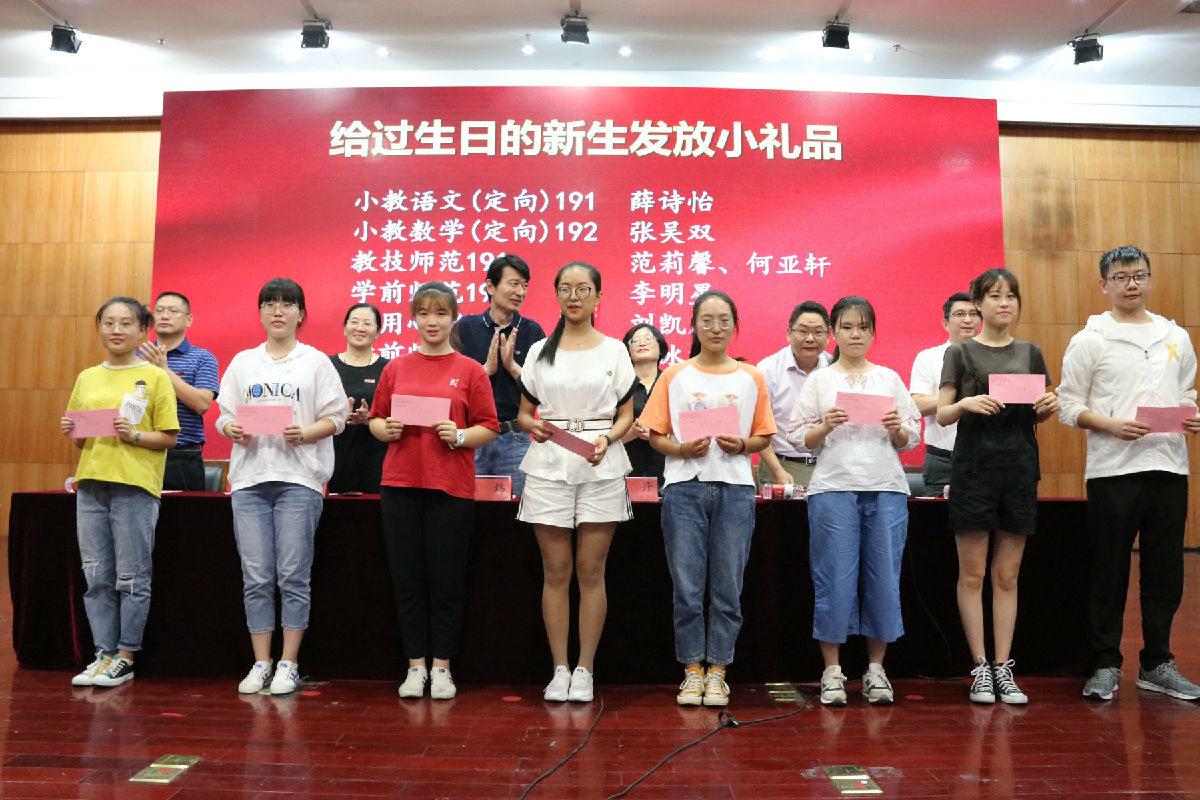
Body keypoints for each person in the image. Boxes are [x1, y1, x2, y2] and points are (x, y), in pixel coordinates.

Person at [1058, 246, 1200, 702]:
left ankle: (1157, 662)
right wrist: (1109, 425)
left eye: (1139, 275)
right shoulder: (1090, 339)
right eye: (1120, 277)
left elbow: (1187, 390)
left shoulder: (1175, 336)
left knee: (1165, 570)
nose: (1131, 284)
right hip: (1113, 470)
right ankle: (1104, 663)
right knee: (1109, 569)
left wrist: (1191, 412)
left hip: (1169, 465)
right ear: (1105, 285)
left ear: (1150, 279)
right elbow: (1067, 405)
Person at [641, 290, 775, 707]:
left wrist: (744, 445)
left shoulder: (751, 377)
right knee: (687, 586)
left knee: (728, 586)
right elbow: (656, 434)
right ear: (694, 326)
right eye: (707, 320)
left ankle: (718, 670)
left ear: (735, 326)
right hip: (685, 487)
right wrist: (682, 449)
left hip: (735, 488)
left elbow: (763, 434)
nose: (716, 328)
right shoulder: (674, 376)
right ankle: (691, 670)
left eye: (723, 320)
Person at [216, 278, 349, 696]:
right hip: (250, 480)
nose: (277, 311)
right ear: (260, 313)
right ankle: (261, 662)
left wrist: (305, 433)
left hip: (298, 479)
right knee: (256, 576)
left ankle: (289, 663)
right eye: (269, 304)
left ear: (300, 314)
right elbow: (223, 414)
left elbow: (337, 418)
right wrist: (230, 427)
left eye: (286, 304)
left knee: (293, 575)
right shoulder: (243, 362)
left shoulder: (316, 362)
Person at [369, 283, 499, 700]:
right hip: (401, 484)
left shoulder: (470, 369)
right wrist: (386, 429)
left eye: (441, 313)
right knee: (407, 579)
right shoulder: (396, 368)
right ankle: (415, 666)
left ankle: (442, 667)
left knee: (446, 581)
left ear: (453, 318)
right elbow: (376, 419)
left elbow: (489, 427)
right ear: (413, 318)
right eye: (424, 313)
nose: (432, 321)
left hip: (450, 488)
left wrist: (459, 435)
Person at [789, 295, 920, 707]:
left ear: (873, 333)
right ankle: (832, 671)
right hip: (833, 488)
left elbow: (911, 437)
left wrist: (897, 429)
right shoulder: (820, 380)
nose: (855, 334)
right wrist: (824, 426)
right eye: (846, 327)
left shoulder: (889, 378)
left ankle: (876, 670)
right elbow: (798, 437)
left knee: (883, 579)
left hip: (885, 488)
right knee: (834, 579)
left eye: (863, 327)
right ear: (834, 333)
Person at [936, 269, 1058, 705]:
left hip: (1020, 470)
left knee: (1007, 576)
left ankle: (1004, 667)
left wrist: (1049, 406)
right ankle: (980, 668)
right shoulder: (961, 352)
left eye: (1010, 296)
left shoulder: (1031, 352)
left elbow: (1039, 411)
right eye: (994, 296)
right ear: (978, 304)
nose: (1004, 303)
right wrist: (966, 403)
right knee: (972, 574)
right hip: (973, 472)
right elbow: (942, 413)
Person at [516, 262, 635, 703]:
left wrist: (608, 438)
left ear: (598, 296)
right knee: (556, 571)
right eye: (565, 289)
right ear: (556, 295)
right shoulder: (539, 350)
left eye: (583, 289)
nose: (574, 296)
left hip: (601, 462)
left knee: (590, 569)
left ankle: (585, 668)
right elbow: (524, 413)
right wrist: (533, 425)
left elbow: (627, 414)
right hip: (550, 461)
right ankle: (559, 669)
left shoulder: (615, 350)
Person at [62, 297, 179, 687]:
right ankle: (103, 653)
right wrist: (73, 431)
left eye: (126, 323)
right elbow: (83, 441)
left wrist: (135, 435)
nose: (116, 330)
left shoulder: (156, 376)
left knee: (131, 576)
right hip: (91, 484)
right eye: (108, 323)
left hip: (135, 486)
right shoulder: (87, 377)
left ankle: (126, 656)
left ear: (142, 330)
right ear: (99, 328)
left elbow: (169, 437)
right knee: (96, 575)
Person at [451, 254, 546, 498]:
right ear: (490, 286)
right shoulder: (465, 328)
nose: (520, 292)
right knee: (466, 505)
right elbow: (449, 385)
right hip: (471, 435)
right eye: (513, 284)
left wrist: (513, 367)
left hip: (514, 436)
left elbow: (542, 389)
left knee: (515, 509)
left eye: (524, 285)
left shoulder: (532, 331)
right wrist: (484, 371)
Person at [136, 291, 219, 491]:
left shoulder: (203, 358)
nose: (165, 316)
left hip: (182, 457)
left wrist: (164, 370)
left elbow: (202, 404)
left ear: (188, 320)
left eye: (173, 311)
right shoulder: (136, 357)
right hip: (139, 452)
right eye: (159, 311)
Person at [754, 301, 832, 490]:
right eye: (803, 331)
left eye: (818, 332)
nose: (810, 338)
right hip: (783, 466)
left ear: (828, 335)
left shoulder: (835, 367)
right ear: (789, 333)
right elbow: (758, 427)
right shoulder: (767, 370)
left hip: (829, 467)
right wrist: (778, 471)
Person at [908, 292, 978, 496]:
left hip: (987, 457)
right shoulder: (928, 357)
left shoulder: (996, 357)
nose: (967, 319)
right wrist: (962, 400)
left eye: (973, 314)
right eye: (960, 314)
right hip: (943, 459)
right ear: (945, 323)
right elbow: (917, 405)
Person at [328, 303, 389, 494]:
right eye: (354, 322)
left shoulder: (389, 369)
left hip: (375, 457)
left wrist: (370, 419)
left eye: (367, 323)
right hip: (333, 455)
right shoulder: (326, 366)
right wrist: (336, 415)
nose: (360, 328)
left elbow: (397, 418)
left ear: (377, 332)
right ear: (345, 328)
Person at [620, 323, 668, 487]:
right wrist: (632, 432)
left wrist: (657, 435)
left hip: (668, 474)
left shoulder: (672, 382)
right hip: (624, 474)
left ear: (660, 347)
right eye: (635, 340)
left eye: (648, 338)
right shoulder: (618, 386)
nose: (642, 343)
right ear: (627, 350)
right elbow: (605, 438)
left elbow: (685, 434)